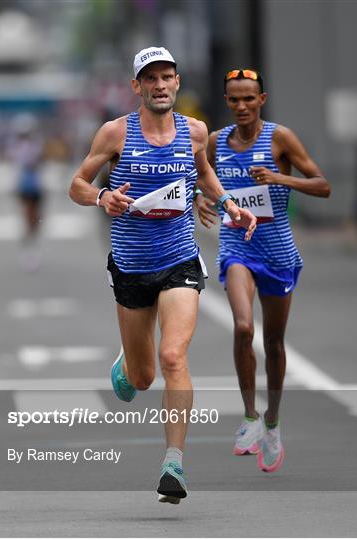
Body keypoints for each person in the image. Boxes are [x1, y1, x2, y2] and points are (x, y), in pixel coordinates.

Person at [69, 48, 257, 504]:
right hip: (132, 267)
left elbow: (204, 173)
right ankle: (127, 365)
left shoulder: (194, 131)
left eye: (166, 77)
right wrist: (101, 199)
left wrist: (229, 204)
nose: (159, 85)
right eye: (149, 78)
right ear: (136, 86)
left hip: (179, 260)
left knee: (174, 356)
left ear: (176, 82)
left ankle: (173, 462)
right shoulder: (115, 133)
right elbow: (76, 184)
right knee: (144, 376)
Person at [195, 68, 330, 473]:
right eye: (234, 99)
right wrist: (201, 199)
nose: (241, 106)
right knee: (242, 328)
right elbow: (198, 181)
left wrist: (278, 178)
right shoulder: (217, 142)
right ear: (227, 101)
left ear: (262, 99)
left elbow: (323, 185)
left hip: (278, 252)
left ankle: (272, 421)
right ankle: (250, 417)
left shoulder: (280, 138)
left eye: (248, 99)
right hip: (238, 246)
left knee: (273, 343)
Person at [8, 113, 45, 271]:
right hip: (25, 186)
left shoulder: (35, 144)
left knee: (36, 220)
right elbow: (27, 162)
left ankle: (30, 246)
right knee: (29, 218)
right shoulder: (18, 146)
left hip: (35, 185)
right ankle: (28, 250)